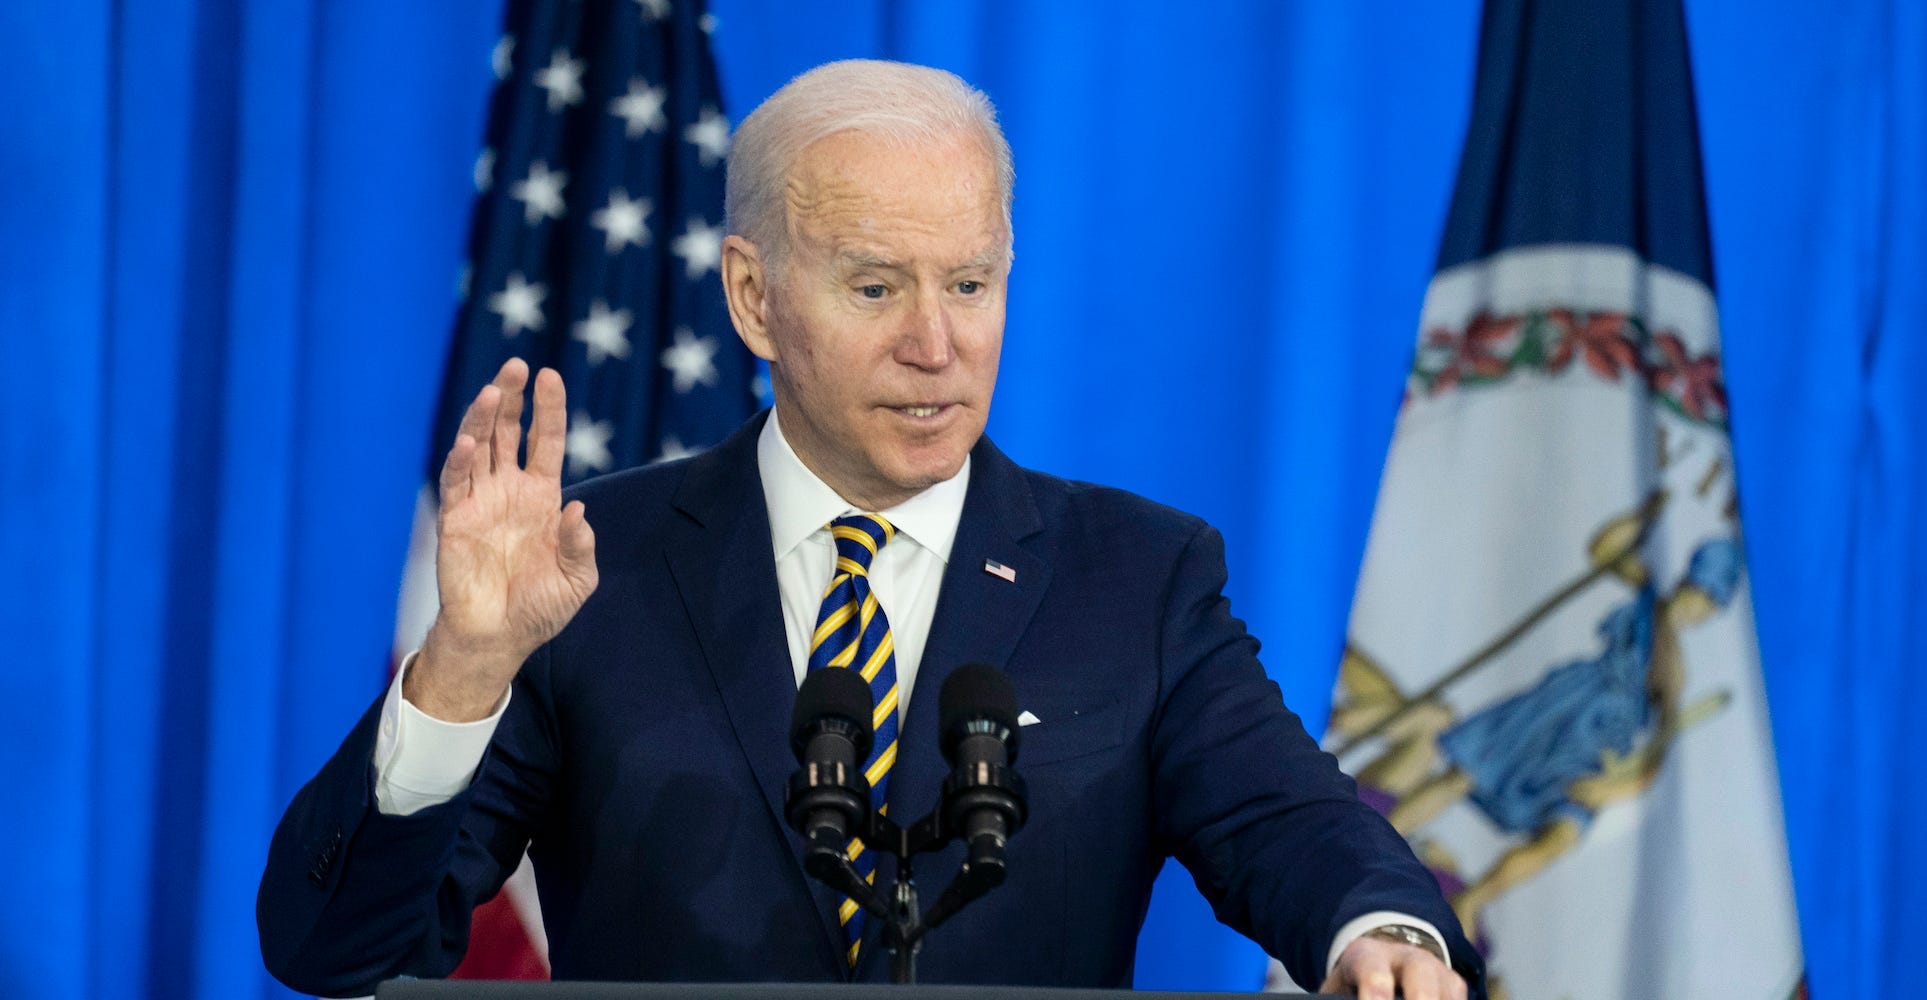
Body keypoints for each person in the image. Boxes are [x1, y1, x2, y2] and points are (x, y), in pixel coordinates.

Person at [258, 60, 1482, 1000]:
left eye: (968, 283)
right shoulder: (596, 572)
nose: (934, 346)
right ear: (753, 296)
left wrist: (1376, 928)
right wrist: (465, 667)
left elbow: (1289, 821)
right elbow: (332, 949)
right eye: (874, 285)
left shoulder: (1139, 579)